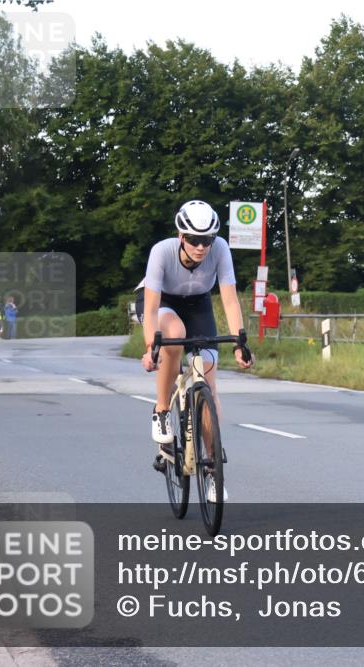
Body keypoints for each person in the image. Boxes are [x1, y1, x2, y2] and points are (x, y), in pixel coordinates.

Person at [135, 200, 253, 502]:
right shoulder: (161, 251)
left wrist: (241, 342)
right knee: (174, 335)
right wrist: (152, 347)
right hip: (162, 303)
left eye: (208, 240)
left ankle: (213, 470)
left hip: (198, 304)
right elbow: (149, 308)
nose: (202, 247)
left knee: (209, 379)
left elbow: (229, 300)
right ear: (181, 236)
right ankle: (162, 410)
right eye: (194, 240)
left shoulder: (221, 249)